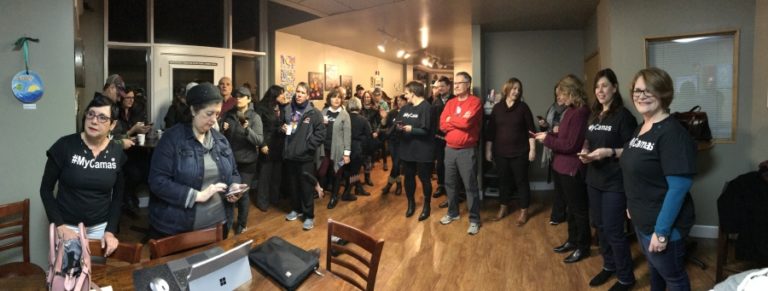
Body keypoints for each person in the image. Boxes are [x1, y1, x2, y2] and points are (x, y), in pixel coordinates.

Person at [620, 67, 696, 290]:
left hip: (663, 227)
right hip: (642, 218)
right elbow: (634, 169)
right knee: (655, 270)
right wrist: (631, 205)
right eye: (637, 90)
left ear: (663, 94)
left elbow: (679, 187)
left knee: (673, 277)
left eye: (648, 90)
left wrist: (662, 233)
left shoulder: (673, 134)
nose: (641, 96)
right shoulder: (641, 128)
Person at [148, 82, 246, 239]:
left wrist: (233, 186)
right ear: (193, 110)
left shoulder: (220, 140)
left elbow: (233, 171)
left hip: (219, 226)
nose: (214, 120)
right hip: (180, 229)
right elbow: (157, 181)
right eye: (209, 114)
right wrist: (197, 196)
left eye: (217, 114)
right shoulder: (172, 139)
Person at [40, 95, 126, 256]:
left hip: (100, 228)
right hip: (68, 226)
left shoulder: (117, 152)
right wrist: (59, 225)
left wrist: (110, 231)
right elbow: (45, 189)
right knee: (67, 277)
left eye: (102, 118)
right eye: (91, 114)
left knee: (96, 275)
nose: (94, 121)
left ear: (112, 124)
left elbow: (118, 196)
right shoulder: (64, 146)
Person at [579, 69, 638, 290]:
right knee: (600, 227)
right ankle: (609, 265)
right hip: (593, 179)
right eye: (597, 87)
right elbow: (588, 140)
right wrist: (585, 151)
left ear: (614, 87)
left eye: (604, 86)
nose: (600, 90)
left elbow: (632, 150)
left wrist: (609, 152)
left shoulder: (624, 116)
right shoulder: (594, 115)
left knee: (614, 230)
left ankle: (626, 277)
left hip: (615, 182)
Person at [534, 74, 591, 263]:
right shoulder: (570, 111)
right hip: (562, 166)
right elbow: (564, 136)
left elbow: (571, 145)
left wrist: (547, 140)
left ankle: (583, 247)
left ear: (571, 92)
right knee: (570, 209)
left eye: (563, 94)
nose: (561, 99)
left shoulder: (581, 112)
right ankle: (572, 240)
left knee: (578, 210)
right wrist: (548, 134)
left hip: (572, 168)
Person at [485, 78, 536, 226]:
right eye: (514, 88)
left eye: (519, 89)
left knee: (521, 182)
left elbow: (531, 131)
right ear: (507, 89)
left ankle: (524, 211)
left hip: (520, 153)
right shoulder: (497, 108)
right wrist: (488, 150)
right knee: (503, 182)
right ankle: (503, 208)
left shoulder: (523, 108)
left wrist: (532, 150)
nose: (516, 91)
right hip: (500, 153)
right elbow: (490, 132)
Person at [439, 72, 483, 235]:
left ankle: (474, 220)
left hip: (467, 150)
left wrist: (452, 119)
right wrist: (453, 120)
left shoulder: (475, 102)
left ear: (468, 84)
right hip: (449, 149)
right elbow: (442, 125)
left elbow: (466, 123)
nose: (455, 86)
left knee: (470, 186)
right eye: (454, 83)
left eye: (459, 83)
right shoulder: (450, 102)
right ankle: (453, 213)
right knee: (450, 184)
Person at [282, 82, 326, 231]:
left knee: (306, 188)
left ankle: (308, 216)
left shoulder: (314, 113)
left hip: (305, 157)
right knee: (293, 186)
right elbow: (285, 126)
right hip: (290, 156)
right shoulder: (288, 109)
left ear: (307, 95)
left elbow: (321, 134)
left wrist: (308, 147)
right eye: (297, 92)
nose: (299, 95)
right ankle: (296, 209)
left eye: (302, 92)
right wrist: (283, 128)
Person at [221, 86, 264, 234]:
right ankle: (226, 223)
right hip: (230, 161)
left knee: (243, 194)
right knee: (229, 193)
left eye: (242, 96)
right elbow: (221, 138)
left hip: (247, 161)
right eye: (236, 96)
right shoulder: (228, 114)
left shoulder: (255, 117)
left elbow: (259, 140)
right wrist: (222, 129)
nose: (238, 98)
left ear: (249, 99)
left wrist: (247, 130)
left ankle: (241, 224)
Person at [396, 81, 434, 221]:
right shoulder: (405, 108)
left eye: (406, 93)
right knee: (409, 178)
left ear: (413, 92)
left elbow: (426, 130)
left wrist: (411, 129)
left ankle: (427, 206)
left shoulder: (426, 108)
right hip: (407, 149)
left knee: (425, 179)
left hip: (423, 150)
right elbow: (398, 123)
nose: (405, 96)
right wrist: (398, 127)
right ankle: (410, 203)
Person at [254, 85, 288, 209]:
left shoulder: (282, 107)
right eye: (281, 94)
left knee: (276, 175)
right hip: (267, 145)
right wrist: (261, 144)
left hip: (279, 145)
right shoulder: (261, 107)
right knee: (265, 176)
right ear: (274, 95)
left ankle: (274, 199)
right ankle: (262, 202)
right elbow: (258, 127)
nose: (283, 96)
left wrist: (283, 127)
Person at [319, 88, 353, 209]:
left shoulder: (345, 115)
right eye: (334, 97)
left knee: (337, 173)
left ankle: (334, 196)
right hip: (324, 149)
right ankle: (320, 189)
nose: (337, 99)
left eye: (339, 97)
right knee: (321, 171)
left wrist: (346, 154)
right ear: (329, 99)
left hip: (339, 151)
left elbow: (347, 135)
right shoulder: (323, 112)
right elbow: (317, 129)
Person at [539, 85, 568, 225]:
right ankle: (558, 214)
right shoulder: (552, 108)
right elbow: (547, 128)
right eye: (556, 94)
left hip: (565, 149)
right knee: (558, 184)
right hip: (552, 149)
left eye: (561, 93)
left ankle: (560, 214)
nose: (558, 97)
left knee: (564, 185)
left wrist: (560, 129)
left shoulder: (571, 110)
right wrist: (543, 125)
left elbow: (571, 132)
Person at [431, 76, 454, 199]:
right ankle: (441, 185)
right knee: (440, 163)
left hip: (452, 137)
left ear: (449, 86)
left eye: (442, 86)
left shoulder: (455, 99)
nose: (440, 88)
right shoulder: (435, 101)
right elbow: (433, 120)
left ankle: (452, 187)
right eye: (438, 86)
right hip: (438, 137)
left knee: (451, 163)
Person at [347, 96, 373, 197]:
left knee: (353, 170)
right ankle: (347, 192)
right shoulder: (363, 120)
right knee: (354, 172)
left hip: (346, 148)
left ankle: (358, 188)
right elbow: (369, 136)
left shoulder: (345, 118)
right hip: (358, 149)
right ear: (359, 106)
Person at [380, 94, 407, 195]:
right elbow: (383, 125)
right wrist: (384, 118)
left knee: (396, 164)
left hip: (402, 142)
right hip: (392, 141)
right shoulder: (392, 112)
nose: (399, 102)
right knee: (396, 164)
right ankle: (398, 184)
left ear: (406, 101)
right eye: (398, 100)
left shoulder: (408, 112)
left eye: (401, 100)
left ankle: (389, 184)